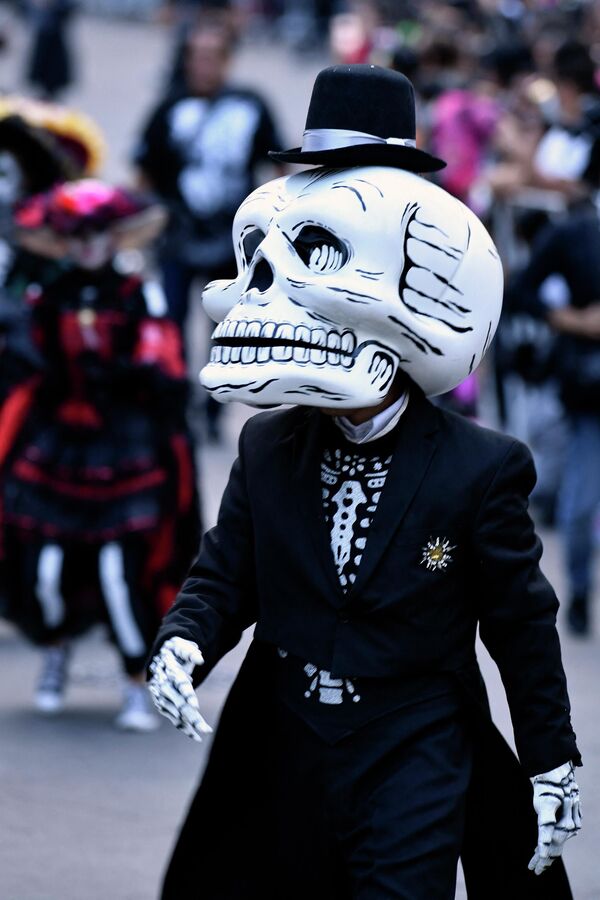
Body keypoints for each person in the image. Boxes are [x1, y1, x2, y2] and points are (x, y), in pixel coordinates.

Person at [148, 66, 581, 898]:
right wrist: (184, 643)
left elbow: (522, 630)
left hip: (414, 738)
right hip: (289, 739)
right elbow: (225, 573)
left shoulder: (480, 467)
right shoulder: (269, 447)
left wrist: (551, 760)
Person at [1, 180, 200, 729]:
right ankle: (55, 647)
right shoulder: (49, 295)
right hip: (62, 443)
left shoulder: (140, 292)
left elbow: (165, 361)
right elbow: (27, 358)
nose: (88, 244)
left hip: (127, 442)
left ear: (114, 236)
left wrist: (136, 373)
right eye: (77, 234)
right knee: (45, 565)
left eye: (98, 233)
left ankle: (137, 679)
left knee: (121, 568)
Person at [133, 14, 284, 440]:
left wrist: (273, 219)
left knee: (225, 326)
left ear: (227, 60)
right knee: (173, 321)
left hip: (231, 238)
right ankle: (177, 402)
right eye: (196, 57)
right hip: (178, 233)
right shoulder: (169, 107)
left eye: (211, 57)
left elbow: (277, 163)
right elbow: (144, 172)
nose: (203, 66)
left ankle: (215, 408)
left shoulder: (250, 105)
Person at [509, 202, 600, 636]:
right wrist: (571, 320)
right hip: (590, 390)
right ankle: (580, 590)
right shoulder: (575, 232)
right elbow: (521, 290)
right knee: (580, 505)